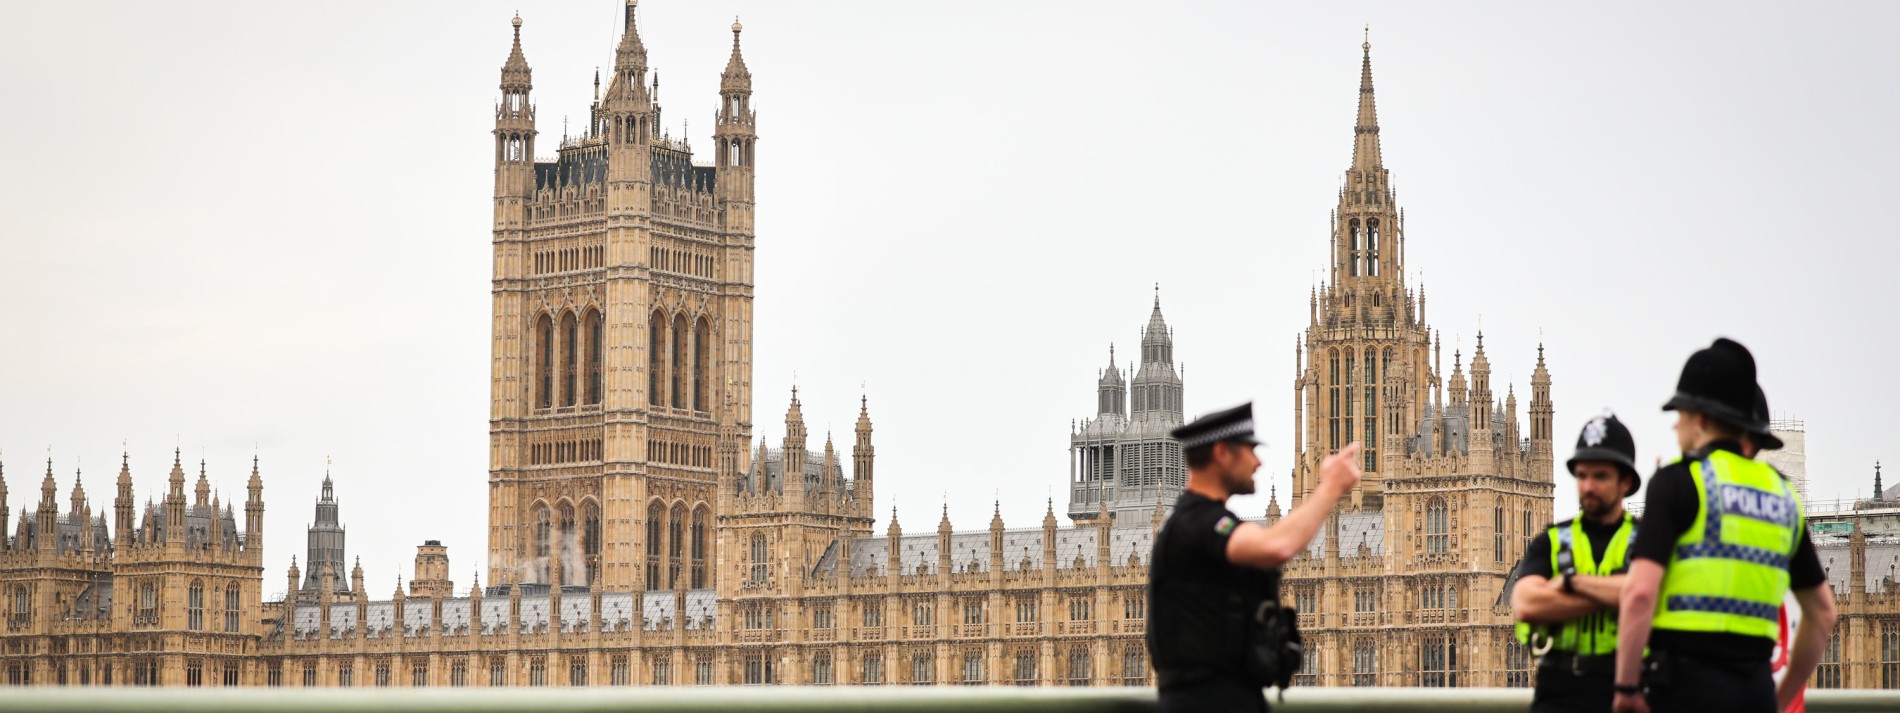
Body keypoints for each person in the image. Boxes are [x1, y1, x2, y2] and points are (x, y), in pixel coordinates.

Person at [1612, 338, 1837, 713]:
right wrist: (1778, 700)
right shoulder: (1783, 494)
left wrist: (1626, 687)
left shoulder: (1679, 482)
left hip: (1684, 691)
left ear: (1699, 420)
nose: (1675, 427)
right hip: (1756, 691)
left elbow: (1638, 595)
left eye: (1679, 415)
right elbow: (1822, 614)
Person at [1147, 402, 1362, 712]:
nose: (1258, 462)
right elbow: (1277, 547)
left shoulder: (1205, 520)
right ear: (1222, 453)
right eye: (1250, 450)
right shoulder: (1197, 523)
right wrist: (1331, 487)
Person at [1512, 412, 1643, 713]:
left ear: (1625, 482)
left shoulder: (1646, 539)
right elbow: (1526, 604)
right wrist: (1619, 595)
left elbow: (1651, 595)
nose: (1588, 486)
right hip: (1559, 689)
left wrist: (1571, 583)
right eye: (1582, 476)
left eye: (1600, 476)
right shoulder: (1553, 540)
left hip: (1624, 691)